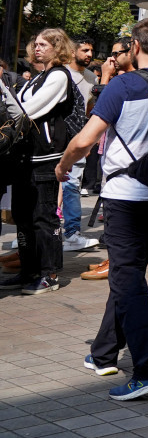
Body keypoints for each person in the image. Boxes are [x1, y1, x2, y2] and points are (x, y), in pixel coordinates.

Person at [56, 19, 148, 400]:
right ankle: (104, 353)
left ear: (137, 49)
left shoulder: (124, 85)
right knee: (129, 276)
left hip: (125, 195)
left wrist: (62, 166)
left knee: (127, 281)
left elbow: (86, 139)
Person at [0, 29, 86, 295]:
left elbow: (29, 110)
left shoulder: (59, 75)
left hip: (45, 158)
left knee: (43, 218)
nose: (37, 48)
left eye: (43, 44)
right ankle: (28, 271)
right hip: (24, 158)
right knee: (24, 217)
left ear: (57, 47)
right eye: (35, 44)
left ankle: (48, 274)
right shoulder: (37, 77)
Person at [79, 36, 136, 282]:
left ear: (130, 52)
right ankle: (111, 258)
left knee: (118, 215)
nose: (110, 59)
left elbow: (99, 109)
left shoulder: (127, 81)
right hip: (110, 150)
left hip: (125, 160)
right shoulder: (120, 79)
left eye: (115, 53)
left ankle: (115, 262)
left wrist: (104, 78)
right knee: (111, 212)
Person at [60, 35, 99, 252]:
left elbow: (89, 110)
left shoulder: (92, 78)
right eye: (84, 50)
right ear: (73, 51)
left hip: (78, 140)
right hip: (57, 140)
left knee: (72, 185)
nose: (89, 55)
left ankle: (72, 233)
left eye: (91, 51)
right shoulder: (62, 73)